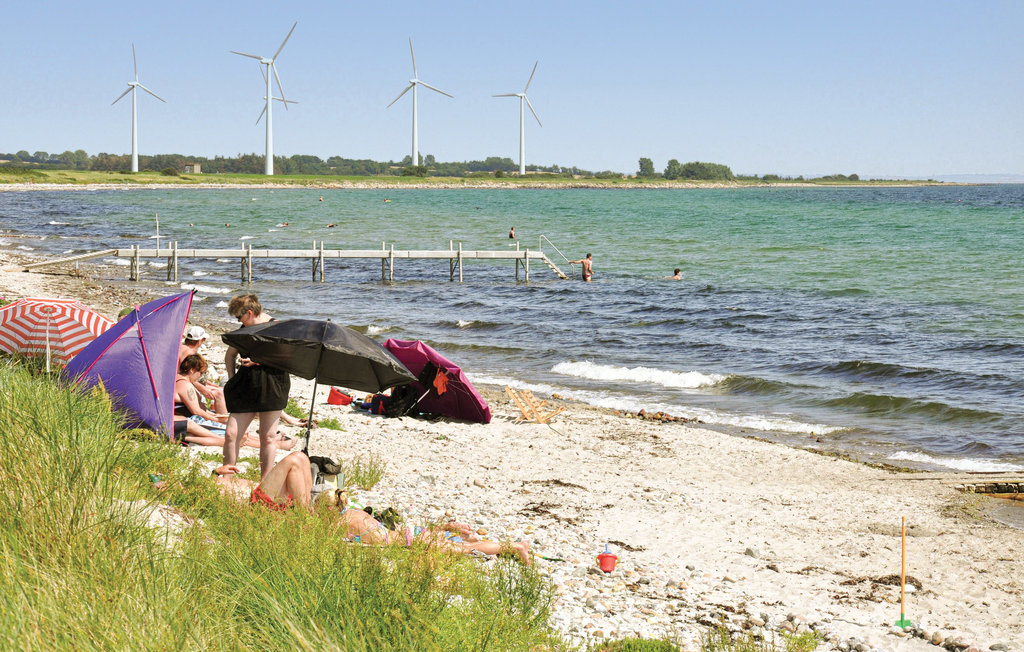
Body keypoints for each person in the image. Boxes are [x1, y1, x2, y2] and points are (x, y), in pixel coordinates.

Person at [223, 294, 290, 479]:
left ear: (250, 313)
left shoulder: (277, 327)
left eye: (239, 317)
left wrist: (258, 361)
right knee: (231, 433)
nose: (239, 321)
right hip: (245, 385)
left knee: (268, 437)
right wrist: (232, 379)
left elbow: (287, 358)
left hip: (273, 384)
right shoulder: (244, 329)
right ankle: (226, 478)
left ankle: (265, 483)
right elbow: (230, 355)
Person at [212, 451, 312, 510]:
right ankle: (303, 516)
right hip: (257, 502)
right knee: (293, 462)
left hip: (260, 492)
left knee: (301, 456)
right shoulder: (201, 491)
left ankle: (308, 506)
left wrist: (216, 472)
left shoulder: (205, 483)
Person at [178, 325, 227, 414]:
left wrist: (209, 383)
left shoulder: (182, 348)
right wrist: (204, 389)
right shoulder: (190, 353)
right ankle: (222, 422)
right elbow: (187, 376)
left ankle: (218, 417)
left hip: (187, 382)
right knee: (219, 393)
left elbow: (194, 374)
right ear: (200, 340)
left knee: (220, 389)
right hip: (185, 383)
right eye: (203, 340)